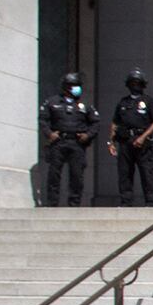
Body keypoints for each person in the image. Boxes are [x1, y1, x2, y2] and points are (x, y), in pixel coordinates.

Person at [39, 71, 99, 207]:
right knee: (54, 174)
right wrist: (49, 133)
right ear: (66, 87)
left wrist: (88, 135)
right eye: (73, 85)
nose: (76, 88)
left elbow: (95, 122)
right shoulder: (52, 102)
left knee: (77, 175)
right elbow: (43, 120)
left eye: (77, 85)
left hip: (77, 143)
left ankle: (74, 203)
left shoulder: (85, 104)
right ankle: (52, 203)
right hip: (58, 142)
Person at [108, 67, 153, 207]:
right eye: (132, 83)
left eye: (138, 83)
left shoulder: (149, 101)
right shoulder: (123, 102)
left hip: (142, 142)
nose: (135, 86)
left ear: (143, 84)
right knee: (125, 173)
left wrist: (143, 137)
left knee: (147, 172)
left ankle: (150, 202)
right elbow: (115, 123)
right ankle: (126, 202)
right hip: (125, 141)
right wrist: (111, 142)